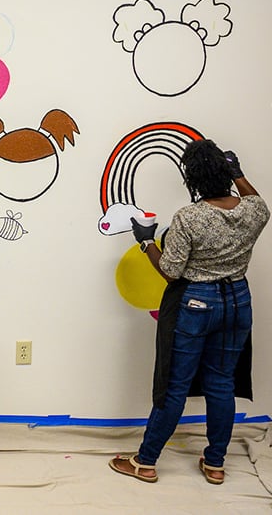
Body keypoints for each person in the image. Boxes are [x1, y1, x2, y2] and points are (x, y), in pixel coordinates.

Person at [109, 140, 269, 484]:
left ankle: (145, 462)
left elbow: (171, 272)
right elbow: (259, 203)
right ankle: (215, 464)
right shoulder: (251, 210)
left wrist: (146, 241)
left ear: (192, 179)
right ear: (226, 172)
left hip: (197, 304)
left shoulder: (190, 217)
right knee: (221, 383)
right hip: (238, 301)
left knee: (175, 386)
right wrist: (238, 174)